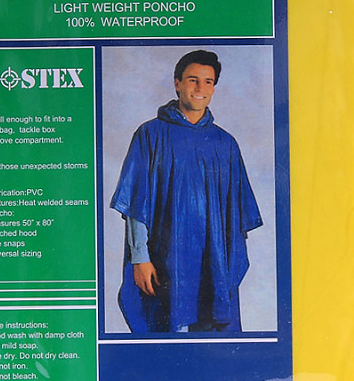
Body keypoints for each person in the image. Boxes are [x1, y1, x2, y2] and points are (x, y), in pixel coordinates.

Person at [111, 50, 262, 333]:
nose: (200, 88)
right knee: (165, 333)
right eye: (193, 80)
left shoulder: (225, 144)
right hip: (165, 258)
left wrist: (230, 266)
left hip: (212, 260)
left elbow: (237, 217)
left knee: (210, 336)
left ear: (214, 88)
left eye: (208, 81)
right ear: (177, 83)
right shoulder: (151, 135)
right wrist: (140, 257)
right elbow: (135, 203)